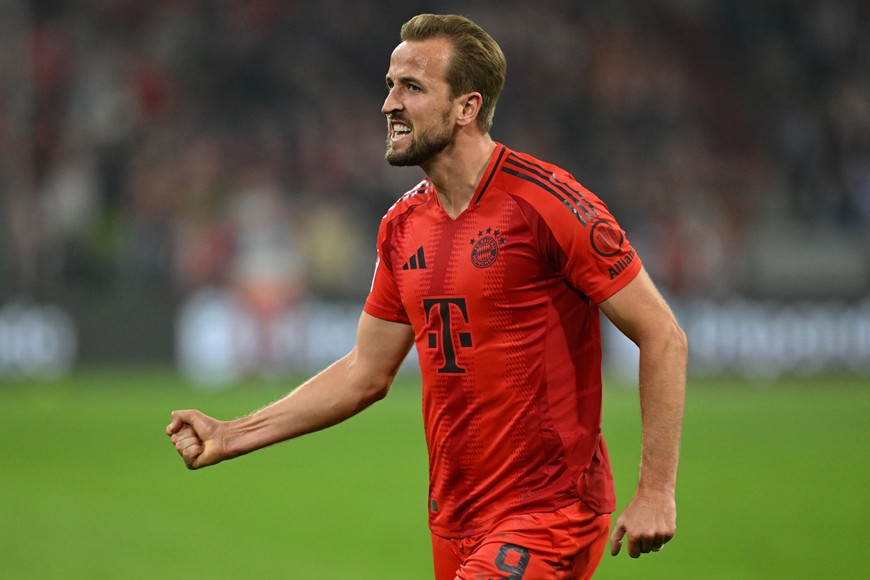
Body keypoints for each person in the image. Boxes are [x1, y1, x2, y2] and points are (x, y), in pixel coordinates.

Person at [167, 13, 687, 579]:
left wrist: (656, 490)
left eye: (411, 87)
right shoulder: (402, 226)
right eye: (390, 84)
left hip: (547, 513)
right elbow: (366, 372)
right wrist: (230, 434)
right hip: (454, 519)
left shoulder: (550, 206)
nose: (389, 103)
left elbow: (662, 333)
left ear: (467, 107)